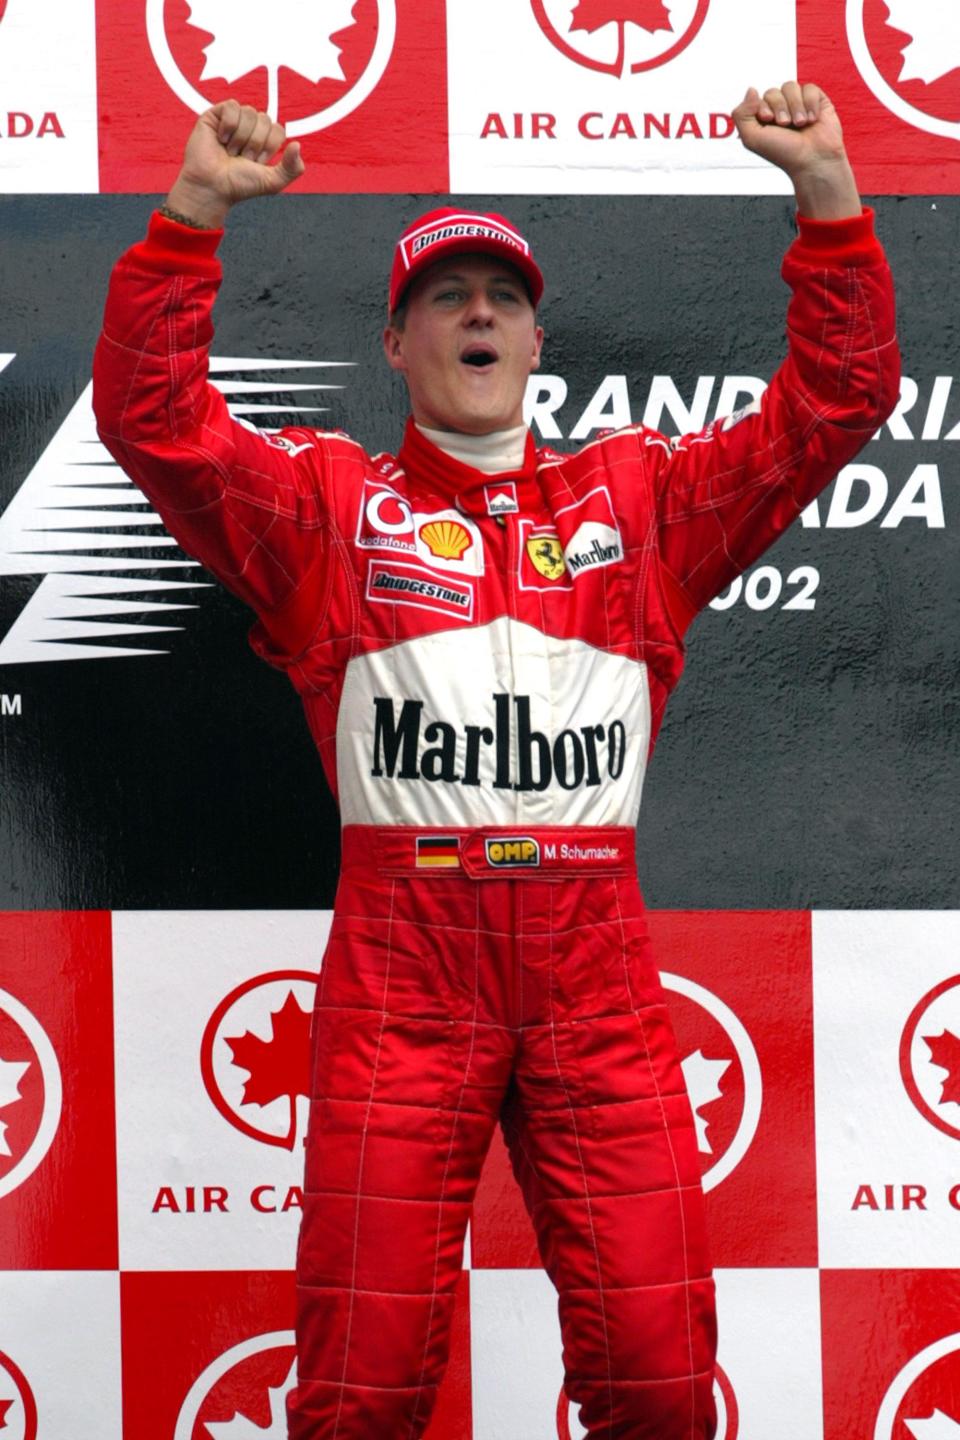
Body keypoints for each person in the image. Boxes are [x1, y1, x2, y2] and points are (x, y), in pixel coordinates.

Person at [93, 82, 899, 1440]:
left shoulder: (640, 507)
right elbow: (151, 419)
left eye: (503, 297)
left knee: (656, 1378)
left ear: (536, 341)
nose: (479, 313)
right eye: (448, 296)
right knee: (360, 1386)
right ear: (398, 344)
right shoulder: (329, 513)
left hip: (594, 974)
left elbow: (837, 402)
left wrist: (827, 196)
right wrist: (192, 217)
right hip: (404, 979)